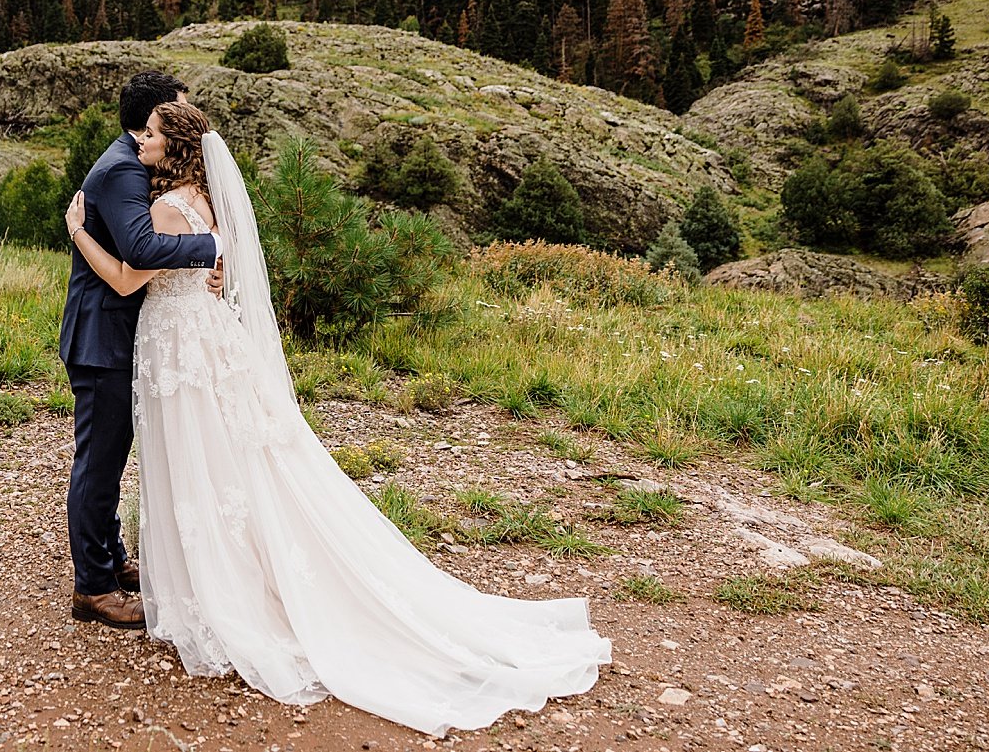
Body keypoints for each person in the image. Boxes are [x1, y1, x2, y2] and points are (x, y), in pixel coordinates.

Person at [64, 100, 611, 736]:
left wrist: (77, 231)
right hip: (198, 341)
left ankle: (213, 583)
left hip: (180, 348)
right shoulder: (203, 204)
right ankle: (204, 566)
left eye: (152, 135)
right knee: (223, 459)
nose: (142, 142)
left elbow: (131, 281)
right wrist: (207, 259)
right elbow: (213, 263)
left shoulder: (164, 208)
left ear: (175, 147)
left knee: (198, 460)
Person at [56, 71, 223, 631]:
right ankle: (94, 588)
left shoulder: (142, 164)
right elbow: (141, 251)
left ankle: (112, 558)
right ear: (150, 118)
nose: (181, 115)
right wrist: (219, 247)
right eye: (173, 109)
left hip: (129, 334)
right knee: (100, 463)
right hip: (102, 337)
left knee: (115, 452)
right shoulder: (125, 168)